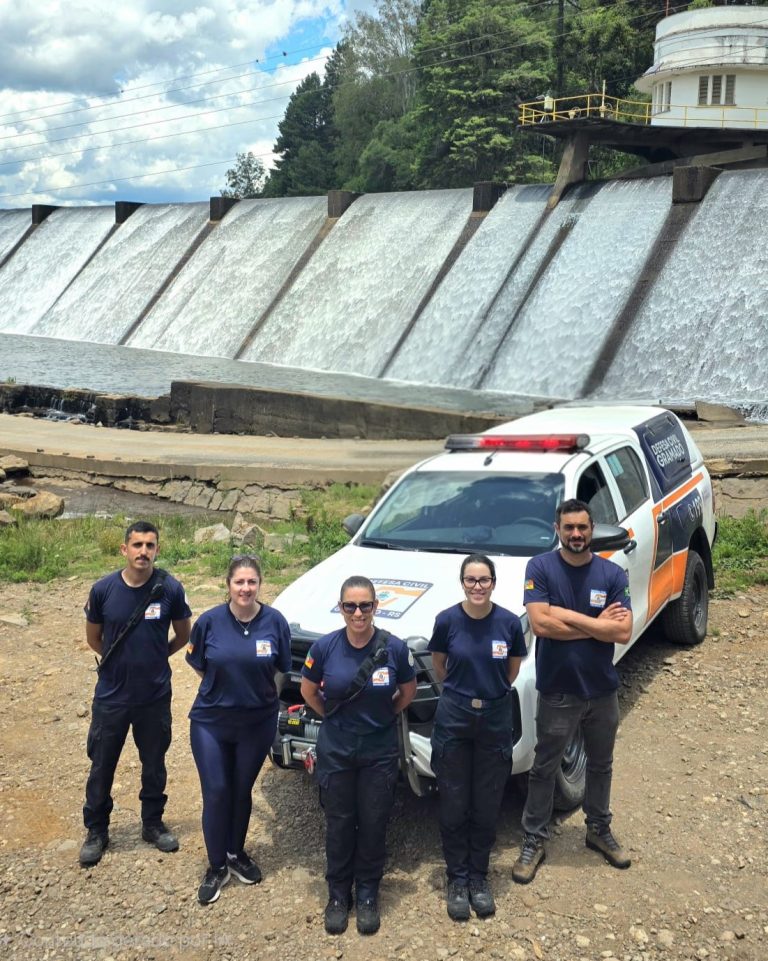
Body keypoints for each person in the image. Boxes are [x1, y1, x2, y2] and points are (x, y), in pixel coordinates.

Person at [512, 499, 633, 885]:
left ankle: (598, 828)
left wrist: (566, 615)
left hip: (601, 690)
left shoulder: (612, 573)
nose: (576, 534)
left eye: (583, 527)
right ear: (557, 529)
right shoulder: (541, 567)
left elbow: (623, 631)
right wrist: (596, 624)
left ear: (591, 529)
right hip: (558, 691)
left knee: (601, 764)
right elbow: (541, 625)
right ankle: (534, 839)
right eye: (569, 528)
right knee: (544, 767)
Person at [300, 576, 417, 936]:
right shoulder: (324, 648)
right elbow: (309, 692)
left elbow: (407, 692)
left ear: (375, 607)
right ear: (341, 607)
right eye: (350, 606)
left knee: (373, 821)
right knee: (338, 822)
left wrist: (382, 718)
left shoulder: (394, 648)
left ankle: (367, 893)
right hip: (337, 747)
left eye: (365, 605)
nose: (358, 613)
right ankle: (338, 895)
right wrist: (337, 721)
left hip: (378, 749)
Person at [80, 520, 192, 867]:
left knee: (155, 764)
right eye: (138, 545)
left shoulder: (170, 588)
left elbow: (183, 635)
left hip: (154, 696)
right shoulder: (103, 590)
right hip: (112, 696)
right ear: (124, 549)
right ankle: (97, 830)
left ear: (157, 549)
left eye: (150, 545)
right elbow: (94, 639)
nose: (144, 551)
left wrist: (157, 657)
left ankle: (153, 824)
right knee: (101, 766)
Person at [186, 555, 291, 905]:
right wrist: (225, 690)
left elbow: (282, 669)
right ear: (227, 585)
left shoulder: (275, 621)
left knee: (241, 788)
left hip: (257, 723)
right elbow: (199, 665)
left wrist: (260, 697)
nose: (245, 588)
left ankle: (235, 853)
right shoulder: (209, 622)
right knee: (217, 789)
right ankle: (216, 866)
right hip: (211, 721)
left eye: (252, 582)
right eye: (239, 582)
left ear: (260, 584)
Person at [428, 554, 526, 921]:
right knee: (454, 799)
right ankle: (456, 879)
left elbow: (512, 669)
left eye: (484, 580)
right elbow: (440, 665)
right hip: (455, 714)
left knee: (486, 801)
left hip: (495, 714)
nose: (477, 586)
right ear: (462, 583)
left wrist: (492, 691)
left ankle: (479, 878)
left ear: (494, 582)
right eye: (471, 580)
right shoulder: (447, 621)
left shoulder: (508, 623)